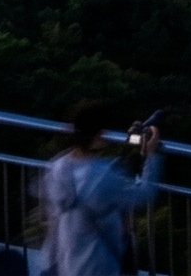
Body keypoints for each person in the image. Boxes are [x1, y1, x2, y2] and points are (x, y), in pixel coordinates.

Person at [36, 103, 163, 276]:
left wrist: (127, 150)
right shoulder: (103, 178)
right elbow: (145, 192)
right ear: (98, 135)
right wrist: (152, 155)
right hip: (95, 265)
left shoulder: (57, 167)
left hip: (64, 262)